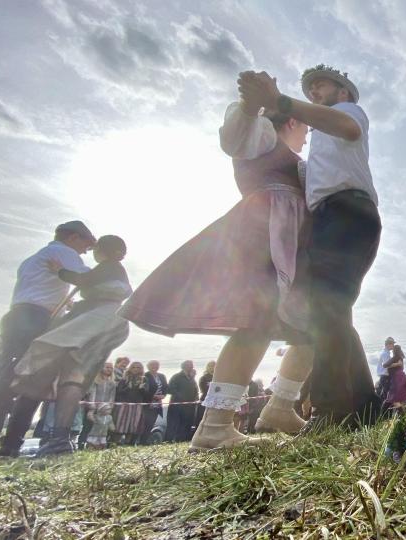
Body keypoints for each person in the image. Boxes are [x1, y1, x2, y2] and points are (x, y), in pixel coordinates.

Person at [118, 81, 320, 451]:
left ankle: (280, 406)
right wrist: (250, 106)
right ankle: (215, 426)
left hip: (294, 246)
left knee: (312, 329)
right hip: (261, 234)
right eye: (306, 127)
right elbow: (234, 137)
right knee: (255, 322)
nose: (307, 136)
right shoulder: (262, 138)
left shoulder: (299, 164)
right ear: (291, 121)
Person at [238, 65, 383, 426]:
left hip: (346, 211)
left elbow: (347, 128)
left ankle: (331, 409)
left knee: (325, 308)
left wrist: (280, 101)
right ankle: (365, 409)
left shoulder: (348, 113)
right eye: (311, 88)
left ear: (344, 92)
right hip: (331, 217)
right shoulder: (319, 141)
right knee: (333, 310)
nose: (314, 92)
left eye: (320, 86)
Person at [7, 235, 131, 457]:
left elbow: (89, 282)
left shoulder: (110, 266)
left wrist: (59, 271)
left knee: (50, 352)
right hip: (104, 320)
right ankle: (59, 438)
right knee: (72, 375)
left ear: (102, 250)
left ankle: (57, 437)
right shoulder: (113, 269)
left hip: (96, 319)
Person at [0, 221, 95, 457]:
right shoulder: (62, 252)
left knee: (10, 380)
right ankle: (10, 445)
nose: (84, 252)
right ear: (72, 238)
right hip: (36, 320)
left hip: (19, 317)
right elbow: (92, 278)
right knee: (28, 383)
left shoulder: (32, 259)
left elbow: (43, 290)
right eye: (85, 246)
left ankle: (9, 445)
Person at [113, 362, 152, 445]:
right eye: (134, 367)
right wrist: (128, 388)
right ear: (130, 368)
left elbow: (146, 395)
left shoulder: (144, 379)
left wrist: (142, 389)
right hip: (124, 405)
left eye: (138, 367)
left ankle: (128, 444)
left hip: (137, 405)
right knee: (120, 426)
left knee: (132, 426)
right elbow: (119, 392)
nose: (136, 369)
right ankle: (115, 443)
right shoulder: (125, 378)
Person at [84, 362, 116, 449]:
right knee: (88, 427)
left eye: (111, 368)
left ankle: (99, 446)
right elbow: (92, 394)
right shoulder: (95, 381)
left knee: (102, 428)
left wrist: (109, 408)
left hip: (105, 410)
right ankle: (82, 445)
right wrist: (92, 408)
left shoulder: (112, 383)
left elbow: (112, 397)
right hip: (93, 408)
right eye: (107, 367)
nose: (109, 369)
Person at [165, 361, 199, 442]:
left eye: (191, 365)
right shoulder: (176, 377)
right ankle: (168, 441)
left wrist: (195, 398)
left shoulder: (192, 379)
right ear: (183, 366)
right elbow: (170, 389)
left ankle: (181, 440)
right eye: (188, 365)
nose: (191, 367)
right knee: (173, 425)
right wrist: (181, 397)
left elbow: (195, 390)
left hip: (189, 407)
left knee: (186, 424)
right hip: (177, 406)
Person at [141, 360, 168, 444]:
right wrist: (152, 396)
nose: (155, 366)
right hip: (147, 403)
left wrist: (163, 395)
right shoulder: (145, 376)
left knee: (151, 423)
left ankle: (145, 441)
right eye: (152, 365)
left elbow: (166, 388)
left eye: (156, 365)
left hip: (157, 404)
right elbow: (143, 390)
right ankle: (139, 441)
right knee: (144, 423)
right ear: (148, 366)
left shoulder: (161, 376)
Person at [383, 345, 406, 411]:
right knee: (403, 398)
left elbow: (384, 365)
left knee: (393, 398)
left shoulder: (395, 358)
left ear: (394, 351)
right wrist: (398, 364)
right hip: (403, 377)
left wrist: (393, 365)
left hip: (396, 378)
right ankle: (404, 417)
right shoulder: (401, 357)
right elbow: (402, 367)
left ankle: (401, 412)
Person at [375, 337, 395, 404]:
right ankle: (384, 412)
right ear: (388, 344)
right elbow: (387, 365)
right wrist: (398, 364)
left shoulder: (386, 353)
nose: (393, 345)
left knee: (384, 395)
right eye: (392, 344)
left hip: (384, 377)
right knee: (386, 396)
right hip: (385, 376)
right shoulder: (385, 354)